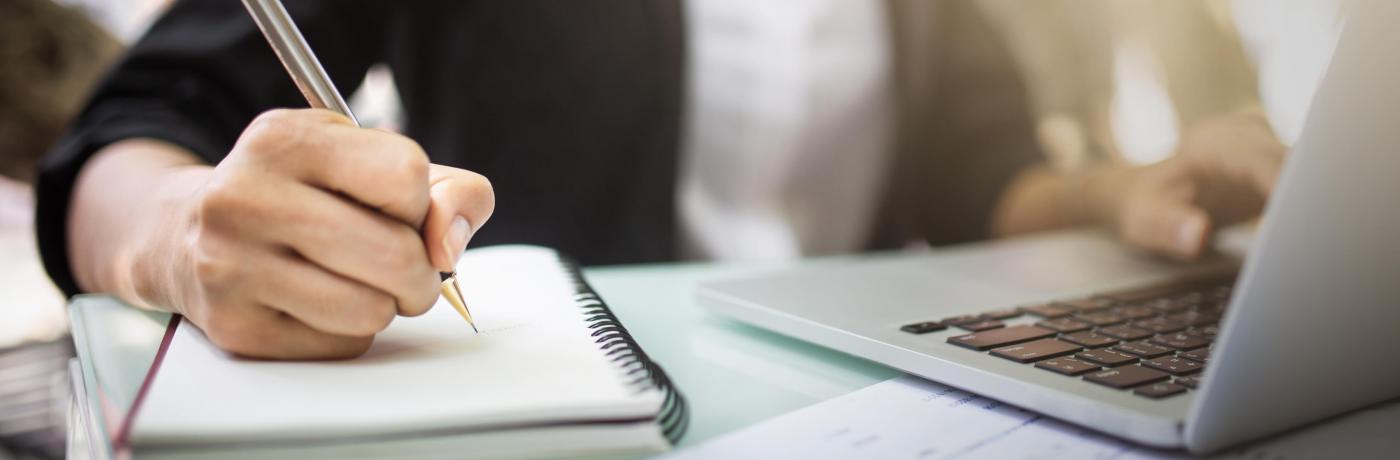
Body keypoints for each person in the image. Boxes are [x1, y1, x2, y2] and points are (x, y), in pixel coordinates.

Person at [36, 0, 1284, 360]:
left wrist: (1124, 195)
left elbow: (980, 180)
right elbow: (129, 134)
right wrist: (174, 233)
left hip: (847, 395)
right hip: (552, 407)